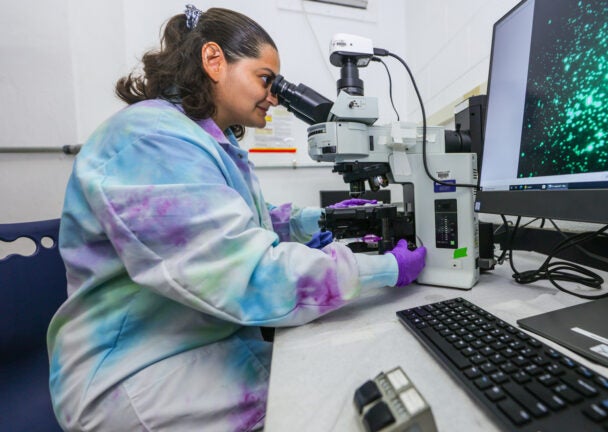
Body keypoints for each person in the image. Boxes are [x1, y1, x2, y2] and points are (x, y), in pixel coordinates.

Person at [47, 5, 426, 431]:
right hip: (135, 373)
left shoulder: (202, 138)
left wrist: (318, 220)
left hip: (198, 337)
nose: (275, 95)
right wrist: (381, 268)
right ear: (213, 61)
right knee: (329, 402)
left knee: (328, 373)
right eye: (266, 80)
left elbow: (239, 224)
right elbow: (250, 272)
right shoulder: (150, 141)